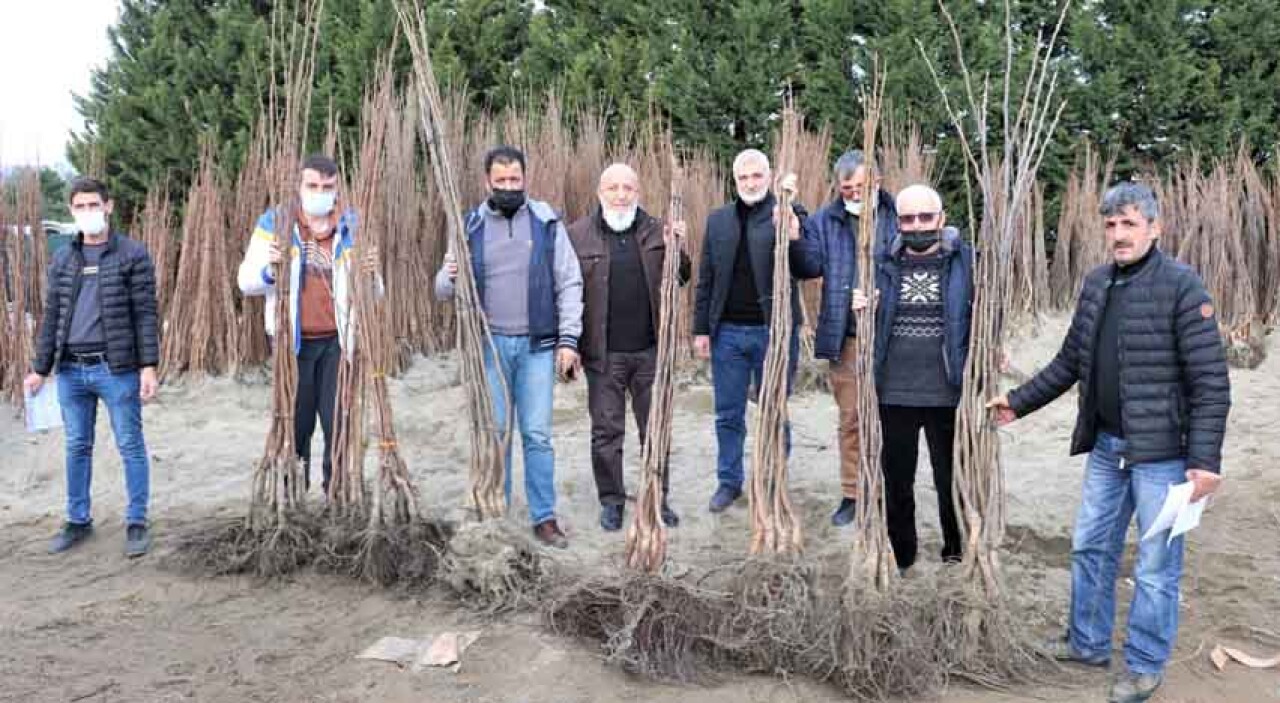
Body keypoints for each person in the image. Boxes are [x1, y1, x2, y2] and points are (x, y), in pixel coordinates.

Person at [988, 182, 1230, 703]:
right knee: (1091, 547)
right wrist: (1017, 401)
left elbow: (1211, 382)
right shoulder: (1097, 284)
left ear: (1154, 228)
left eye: (1129, 224)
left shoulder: (1184, 287)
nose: (1119, 235)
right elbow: (1070, 362)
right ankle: (1088, 642)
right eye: (1111, 225)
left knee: (1155, 567)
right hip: (1107, 449)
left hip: (1163, 459)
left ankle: (1144, 666)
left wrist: (1204, 461)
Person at [435, 145, 584, 548]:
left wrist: (568, 341)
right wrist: (450, 275)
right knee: (496, 431)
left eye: (513, 180)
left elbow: (569, 281)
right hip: (490, 347)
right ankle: (497, 509)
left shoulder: (546, 221)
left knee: (536, 433)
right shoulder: (469, 225)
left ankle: (544, 517)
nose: (507, 187)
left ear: (525, 179)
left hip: (537, 346)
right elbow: (442, 290)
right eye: (499, 181)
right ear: (487, 182)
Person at [26, 177, 160, 557]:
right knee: (76, 445)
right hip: (70, 369)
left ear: (108, 206)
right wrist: (40, 368)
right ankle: (78, 520)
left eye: (93, 205)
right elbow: (52, 315)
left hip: (115, 367)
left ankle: (136, 522)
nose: (87, 213)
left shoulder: (132, 254)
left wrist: (148, 366)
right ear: (71, 211)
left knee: (130, 444)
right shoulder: (63, 258)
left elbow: (145, 314)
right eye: (80, 207)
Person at [237, 153, 376, 495]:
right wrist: (271, 269)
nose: (320, 192)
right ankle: (293, 494)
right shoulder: (276, 223)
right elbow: (246, 281)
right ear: (299, 186)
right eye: (312, 186)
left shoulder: (352, 225)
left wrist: (371, 275)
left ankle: (336, 494)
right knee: (296, 425)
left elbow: (377, 292)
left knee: (337, 422)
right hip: (293, 344)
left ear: (337, 188)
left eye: (327, 187)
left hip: (339, 343)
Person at [567, 163, 691, 532]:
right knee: (606, 432)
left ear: (638, 192)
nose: (621, 195)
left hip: (650, 352)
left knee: (655, 428)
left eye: (628, 188)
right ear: (599, 193)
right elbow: (569, 294)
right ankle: (612, 501)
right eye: (613, 188)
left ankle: (657, 497)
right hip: (602, 355)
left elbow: (681, 277)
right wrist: (569, 345)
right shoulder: (577, 235)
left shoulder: (657, 230)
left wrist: (678, 248)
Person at [692, 148, 806, 513]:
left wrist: (792, 230)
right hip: (727, 334)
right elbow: (706, 278)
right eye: (743, 177)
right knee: (728, 412)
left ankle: (773, 479)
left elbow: (805, 266)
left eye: (757, 176)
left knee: (774, 409)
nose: (751, 183)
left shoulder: (786, 213)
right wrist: (701, 330)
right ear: (735, 180)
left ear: (769, 177)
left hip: (774, 332)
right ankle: (729, 482)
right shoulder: (718, 220)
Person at [867, 183, 972, 573]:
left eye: (925, 217)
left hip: (948, 391)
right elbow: (864, 325)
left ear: (941, 219)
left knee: (951, 479)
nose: (917, 225)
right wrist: (861, 310)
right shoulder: (882, 263)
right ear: (897, 223)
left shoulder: (966, 262)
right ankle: (903, 555)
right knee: (898, 482)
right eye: (908, 219)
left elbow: (982, 313)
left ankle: (955, 550)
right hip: (894, 391)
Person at [792, 149, 898, 526]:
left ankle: (886, 491)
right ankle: (852, 492)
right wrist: (793, 238)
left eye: (862, 186)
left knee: (890, 418)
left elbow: (912, 266)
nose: (854, 193)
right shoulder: (825, 221)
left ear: (878, 182)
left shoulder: (899, 216)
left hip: (892, 337)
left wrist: (885, 292)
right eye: (847, 188)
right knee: (852, 419)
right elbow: (808, 267)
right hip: (847, 338)